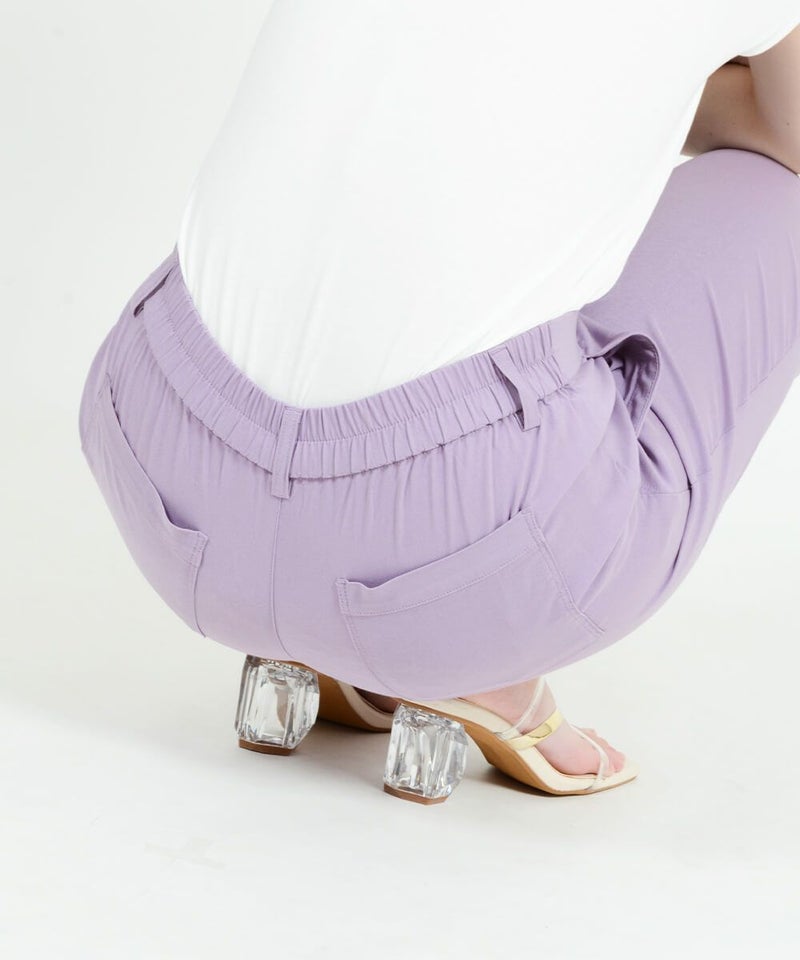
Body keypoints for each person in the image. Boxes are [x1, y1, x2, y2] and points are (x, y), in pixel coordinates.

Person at [79, 2, 800, 803]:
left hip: (168, 483)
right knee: (778, 188)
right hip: (472, 542)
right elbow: (784, 131)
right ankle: (472, 655)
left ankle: (334, 619)